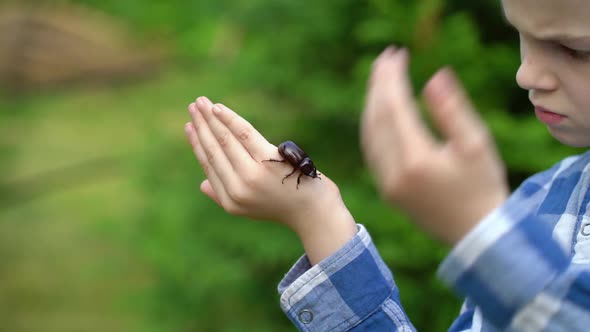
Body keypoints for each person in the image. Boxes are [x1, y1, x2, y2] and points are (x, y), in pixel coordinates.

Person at [184, 0, 590, 330]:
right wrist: (318, 217)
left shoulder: (508, 223)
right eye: (520, 32)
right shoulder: (540, 198)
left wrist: (481, 229)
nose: (526, 74)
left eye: (576, 49)